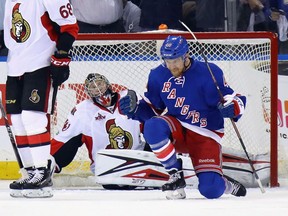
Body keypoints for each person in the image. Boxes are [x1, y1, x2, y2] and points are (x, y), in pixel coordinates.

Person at [119, 35, 247, 200]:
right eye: (167, 60)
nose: (171, 66)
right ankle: (175, 174)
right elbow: (153, 110)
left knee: (210, 189)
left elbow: (234, 98)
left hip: (205, 132)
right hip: (177, 127)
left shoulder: (209, 72)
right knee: (152, 126)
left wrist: (233, 107)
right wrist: (135, 109)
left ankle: (225, 184)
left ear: (187, 56)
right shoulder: (158, 75)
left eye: (175, 61)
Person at [3, 0, 79, 198]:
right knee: (17, 121)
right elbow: (12, 35)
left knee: (32, 118)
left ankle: (42, 172)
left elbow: (70, 26)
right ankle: (30, 173)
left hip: (40, 63)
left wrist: (62, 55)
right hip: (15, 65)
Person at [50, 73, 148, 189]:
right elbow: (64, 138)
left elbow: (150, 122)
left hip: (139, 159)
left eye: (100, 84)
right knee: (72, 140)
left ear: (108, 85)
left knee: (155, 128)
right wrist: (44, 161)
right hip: (107, 169)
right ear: (88, 93)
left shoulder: (129, 98)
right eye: (93, 87)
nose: (97, 89)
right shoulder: (83, 111)